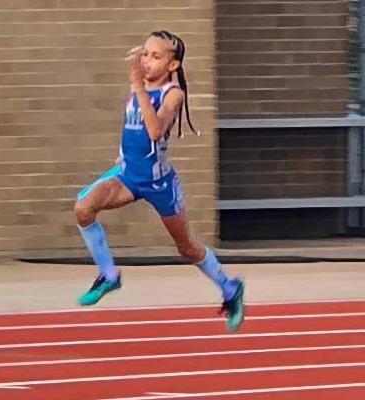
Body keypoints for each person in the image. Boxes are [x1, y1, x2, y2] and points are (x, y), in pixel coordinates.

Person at [73, 30, 245, 332]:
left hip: (160, 184)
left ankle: (230, 288)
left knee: (187, 248)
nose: (147, 61)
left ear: (172, 65)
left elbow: (154, 131)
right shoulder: (138, 89)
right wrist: (122, 155)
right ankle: (108, 274)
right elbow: (133, 132)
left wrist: (138, 88)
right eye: (145, 54)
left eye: (155, 56)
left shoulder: (172, 94)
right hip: (128, 176)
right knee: (83, 208)